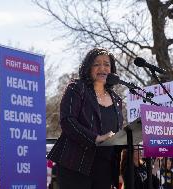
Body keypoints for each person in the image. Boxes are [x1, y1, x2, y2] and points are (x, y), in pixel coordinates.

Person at [47, 47, 124, 189]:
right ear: (88, 67)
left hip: (105, 168)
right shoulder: (77, 88)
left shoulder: (117, 100)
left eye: (107, 64)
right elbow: (68, 121)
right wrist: (96, 138)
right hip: (76, 164)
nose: (102, 68)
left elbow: (117, 132)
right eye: (97, 64)